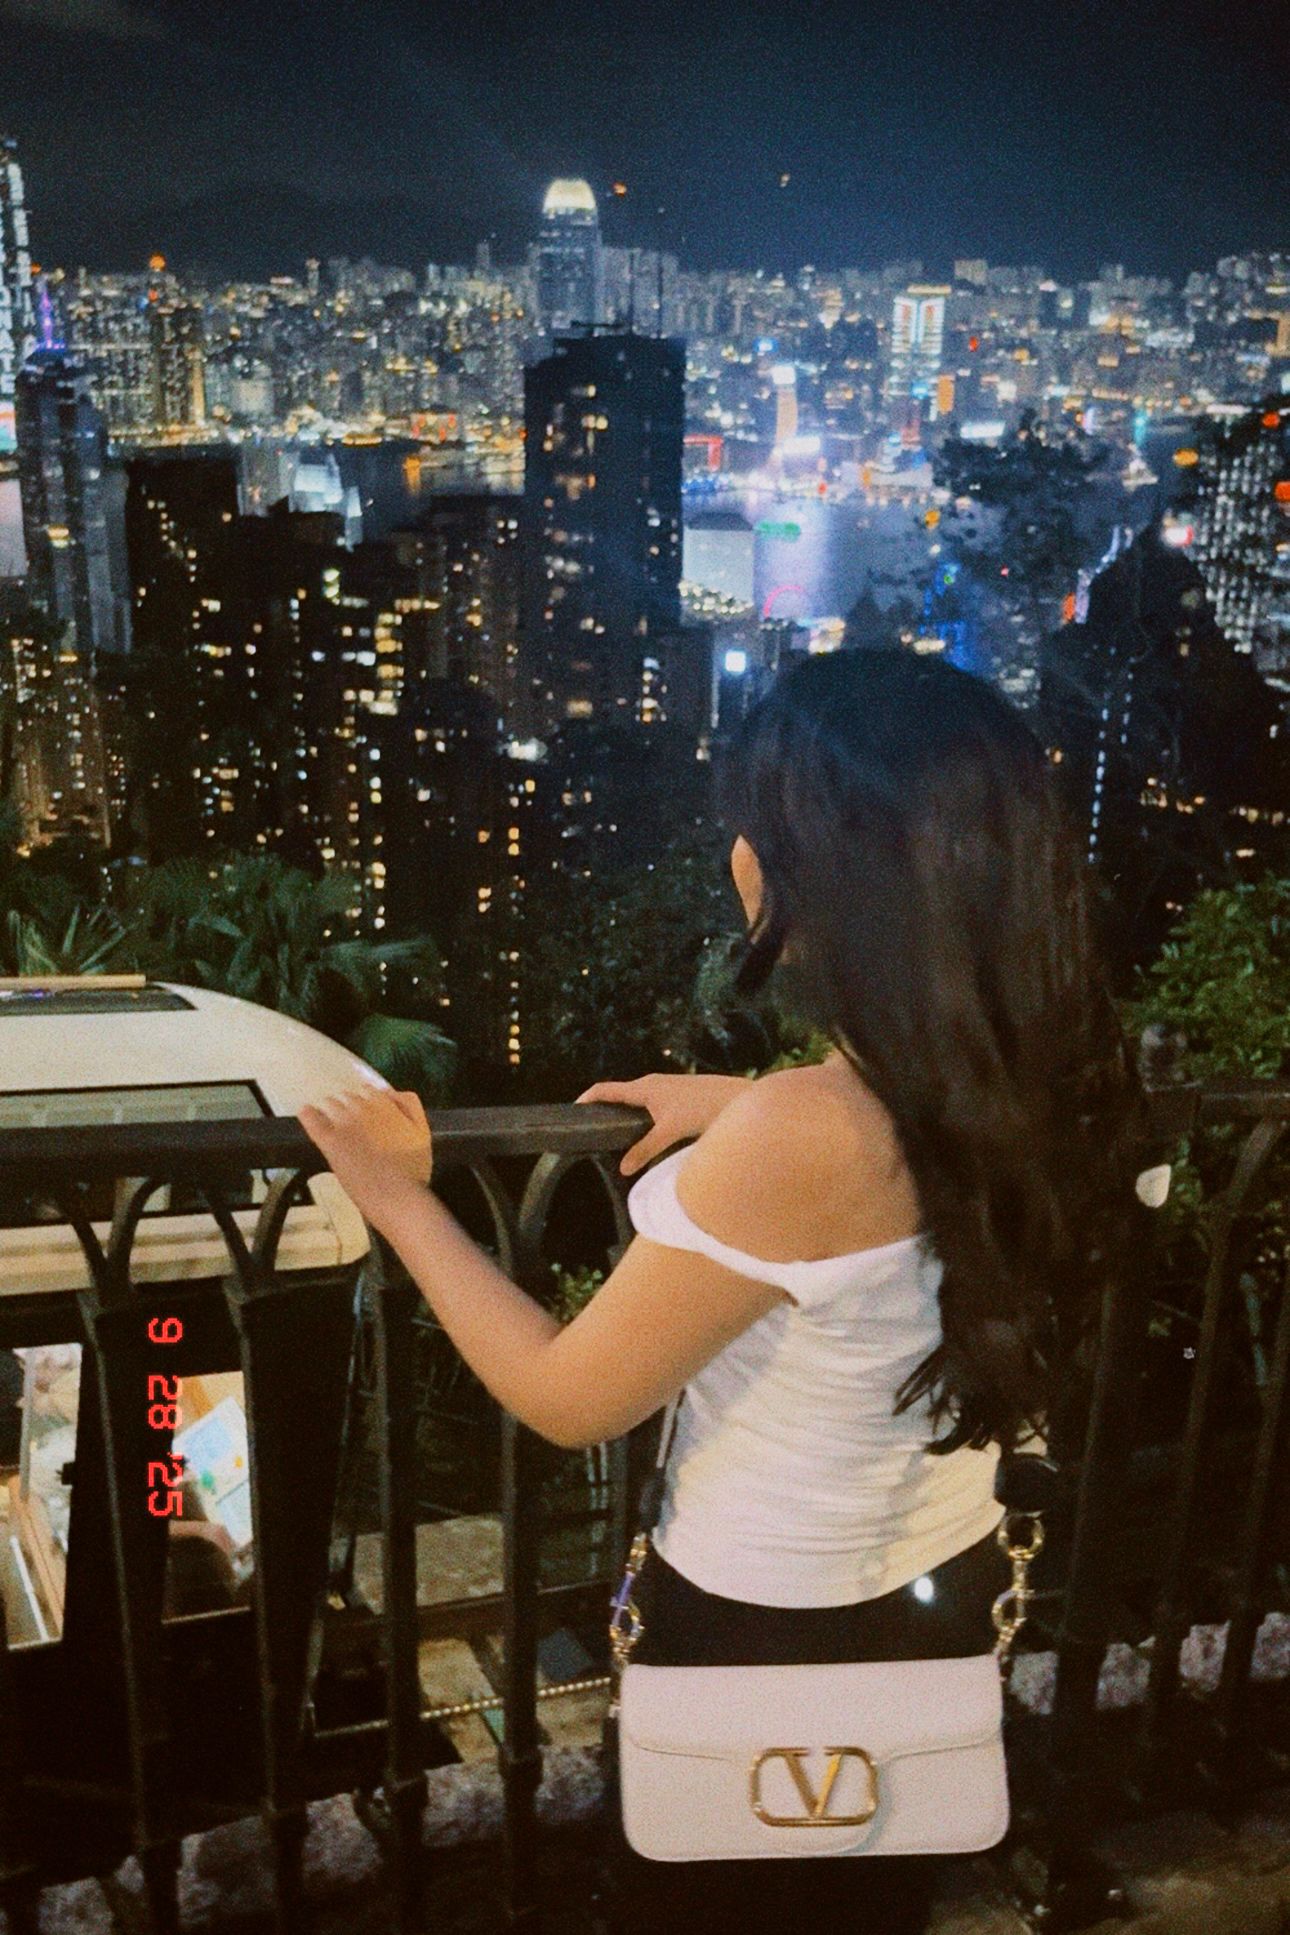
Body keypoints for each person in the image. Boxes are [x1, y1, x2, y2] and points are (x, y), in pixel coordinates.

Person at [297, 650, 1141, 1931]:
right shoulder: (1065, 1074)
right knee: (868, 1904)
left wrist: (398, 1197)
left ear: (800, 872)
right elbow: (908, 1150)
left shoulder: (807, 1137)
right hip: (941, 1583)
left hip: (764, 1627)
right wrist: (747, 1104)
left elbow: (568, 1397)